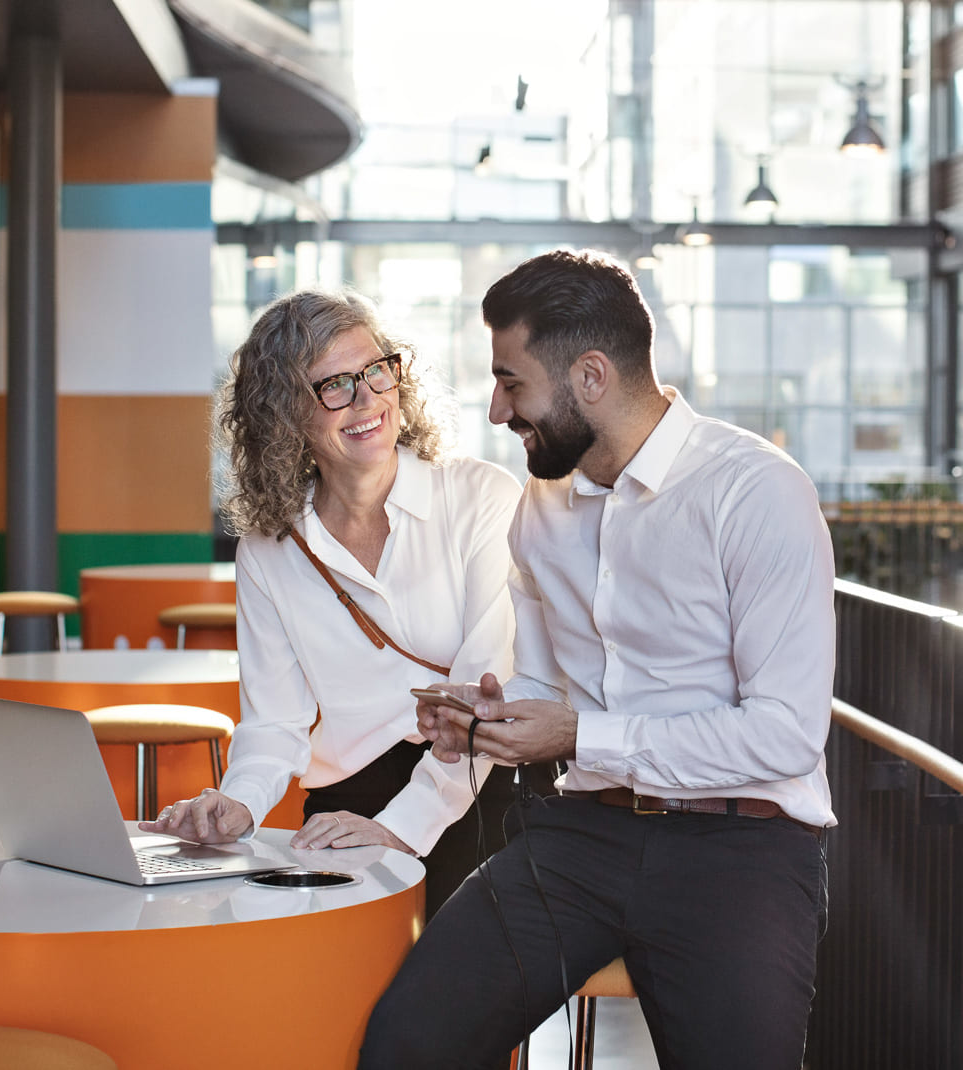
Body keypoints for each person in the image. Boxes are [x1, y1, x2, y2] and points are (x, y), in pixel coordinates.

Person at [360, 250, 837, 1070]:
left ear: (589, 376)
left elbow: (786, 736)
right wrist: (493, 719)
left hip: (741, 851)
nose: (497, 409)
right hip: (582, 836)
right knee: (408, 1041)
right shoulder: (541, 509)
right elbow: (549, 686)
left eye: (512, 383)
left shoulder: (757, 492)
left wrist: (579, 736)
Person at [138, 288, 524, 916]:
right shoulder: (270, 548)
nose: (368, 398)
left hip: (485, 794)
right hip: (347, 807)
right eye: (334, 386)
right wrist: (238, 804)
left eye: (376, 371)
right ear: (285, 416)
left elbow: (488, 697)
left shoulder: (481, 498)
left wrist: (402, 829)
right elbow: (274, 723)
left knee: (438, 998)